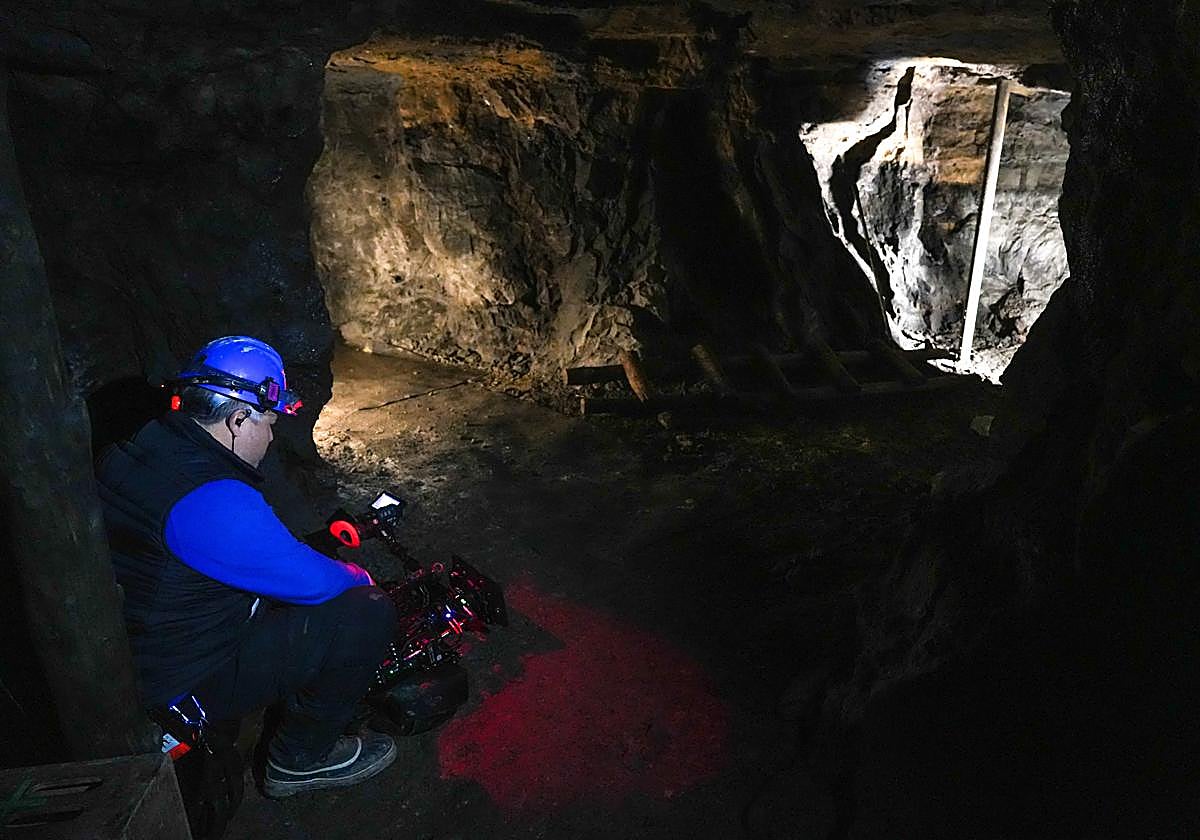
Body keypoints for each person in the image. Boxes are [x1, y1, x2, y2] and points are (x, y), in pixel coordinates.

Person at [96, 335, 398, 798]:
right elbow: (320, 585)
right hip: (183, 683)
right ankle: (299, 760)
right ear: (238, 419)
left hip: (133, 652)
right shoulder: (214, 500)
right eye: (269, 422)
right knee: (366, 610)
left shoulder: (141, 445)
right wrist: (362, 578)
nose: (272, 436)